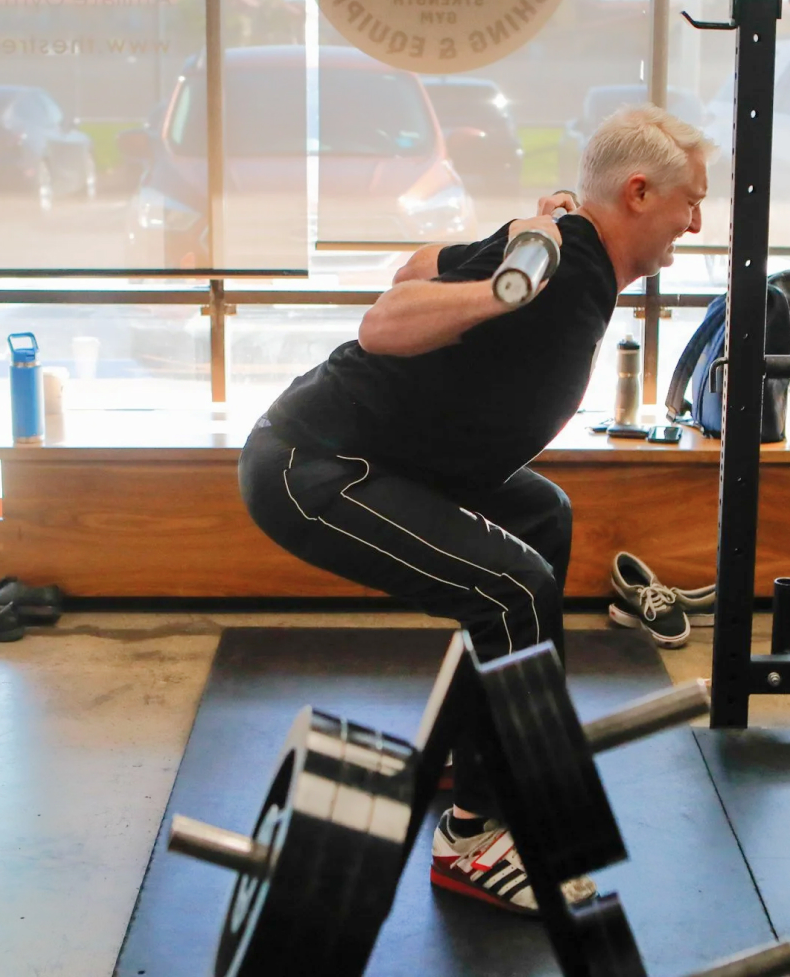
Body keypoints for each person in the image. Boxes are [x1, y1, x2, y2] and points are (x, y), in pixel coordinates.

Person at [238, 104, 712, 914]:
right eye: (689, 200)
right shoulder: (557, 262)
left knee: (543, 517)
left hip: (391, 459)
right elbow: (384, 319)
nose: (696, 222)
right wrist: (503, 287)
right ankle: (476, 835)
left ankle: (482, 753)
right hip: (316, 467)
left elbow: (414, 264)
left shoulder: (563, 247)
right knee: (514, 589)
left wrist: (509, 250)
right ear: (638, 192)